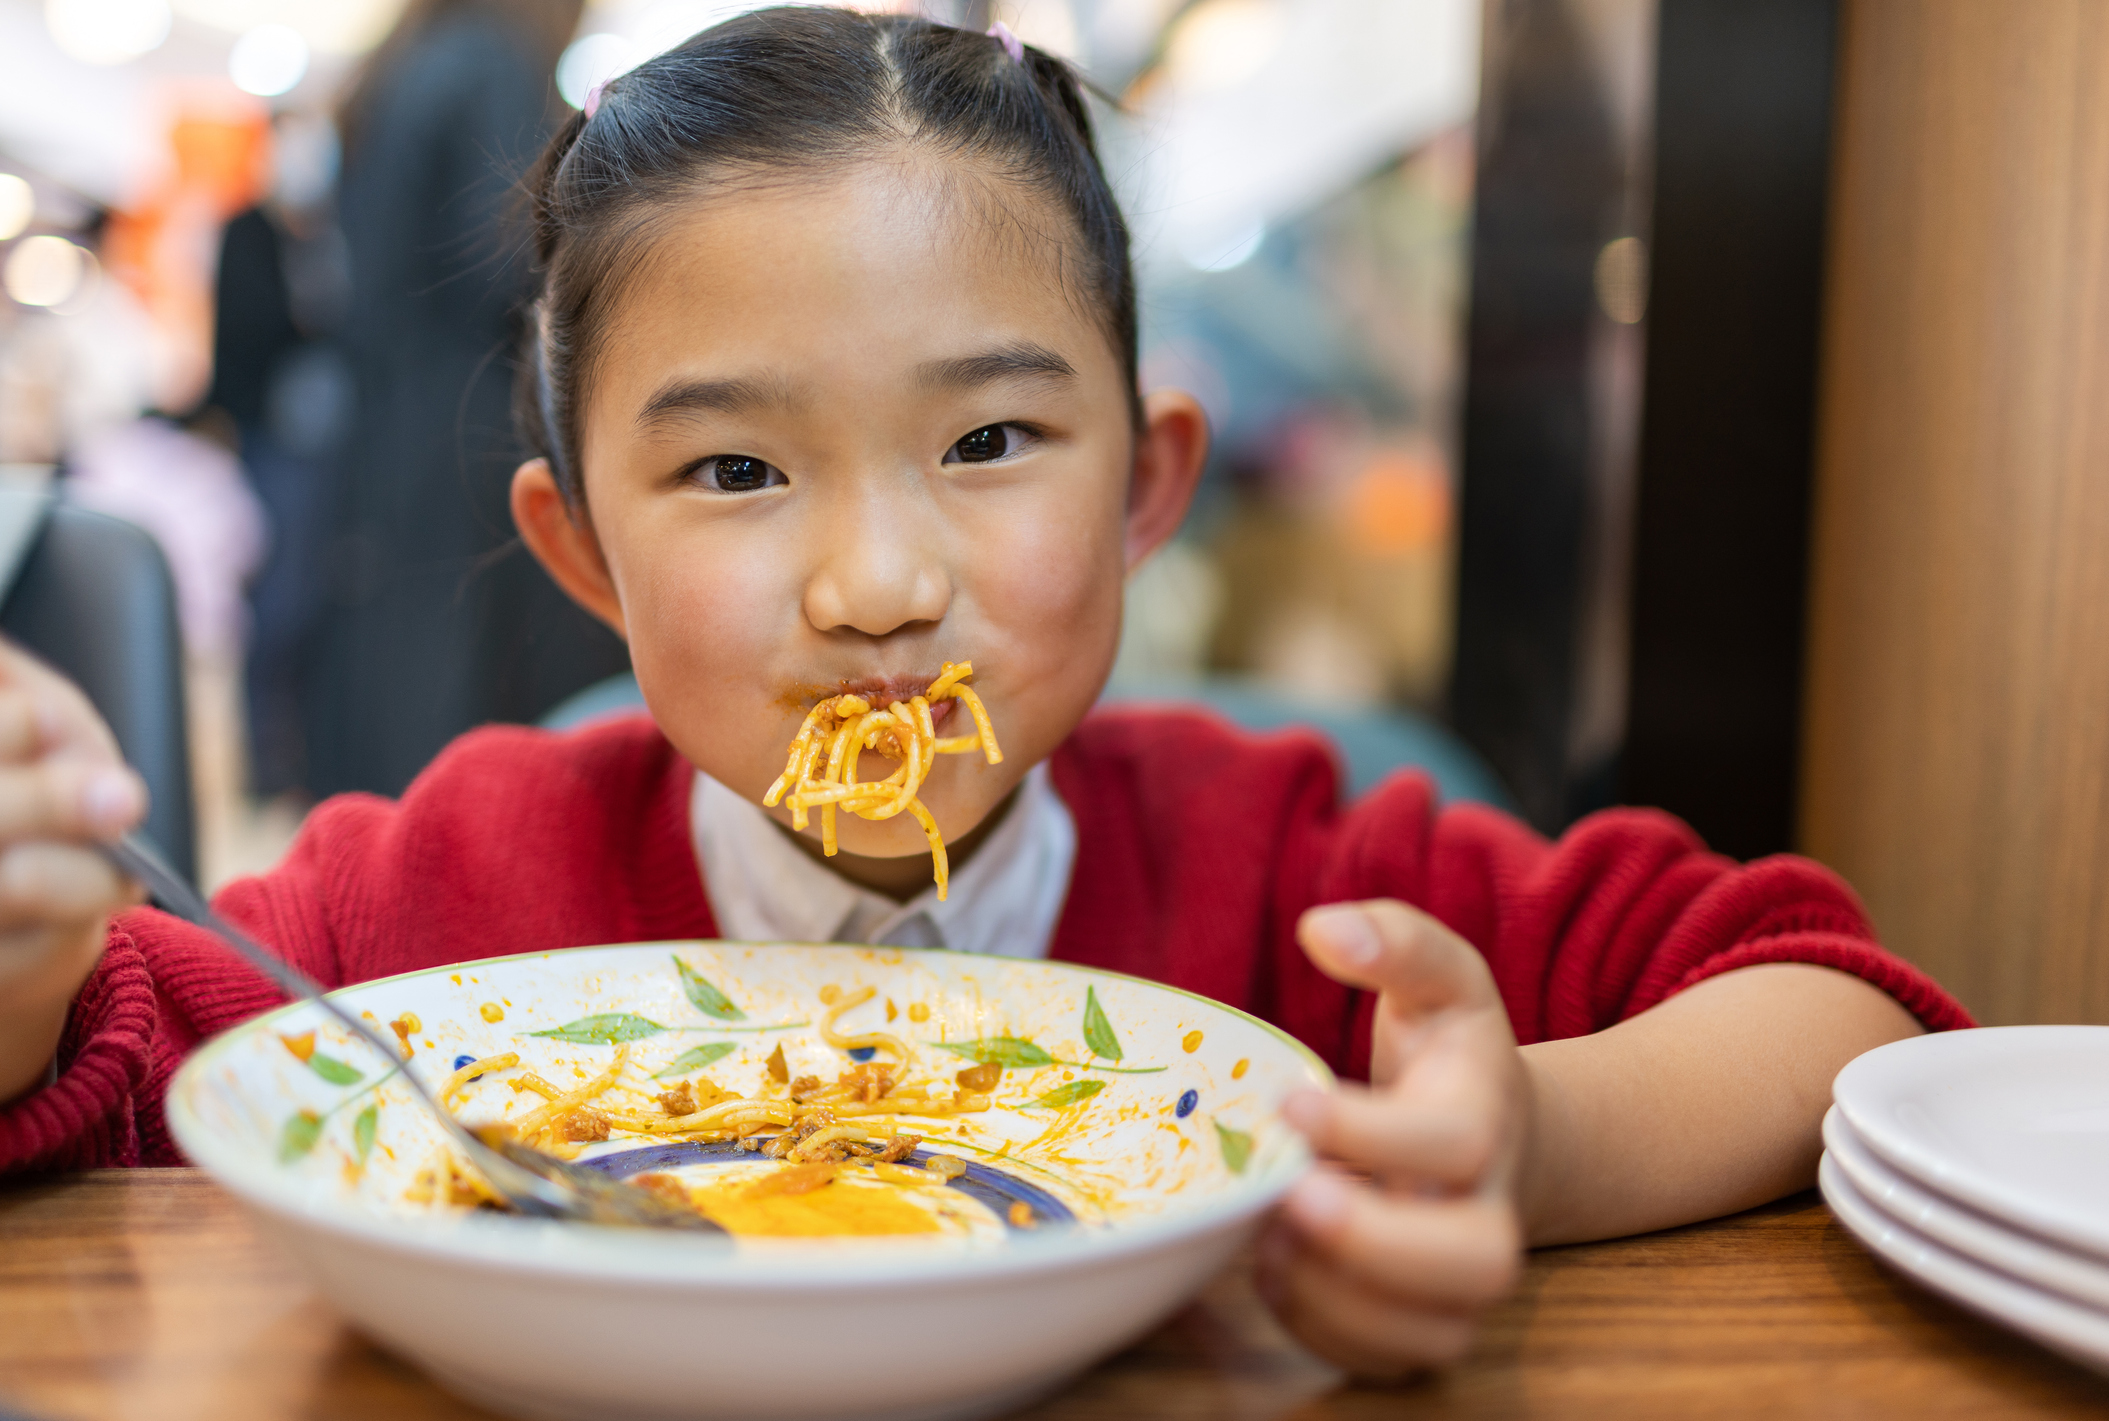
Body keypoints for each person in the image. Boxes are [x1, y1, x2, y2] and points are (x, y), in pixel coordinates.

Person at [0, 8, 1966, 1378]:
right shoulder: (413, 909)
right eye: (736, 471)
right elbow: (94, 1081)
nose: (876, 584)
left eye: (995, 437)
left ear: (1143, 489)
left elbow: (1825, 998)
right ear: (583, 550)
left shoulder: (1300, 865)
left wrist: (1514, 1135)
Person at [315, 0, 628, 799]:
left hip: (390, 418)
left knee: (408, 655)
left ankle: (405, 858)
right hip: (473, 415)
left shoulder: (398, 70)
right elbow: (505, 261)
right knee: (473, 664)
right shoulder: (493, 62)